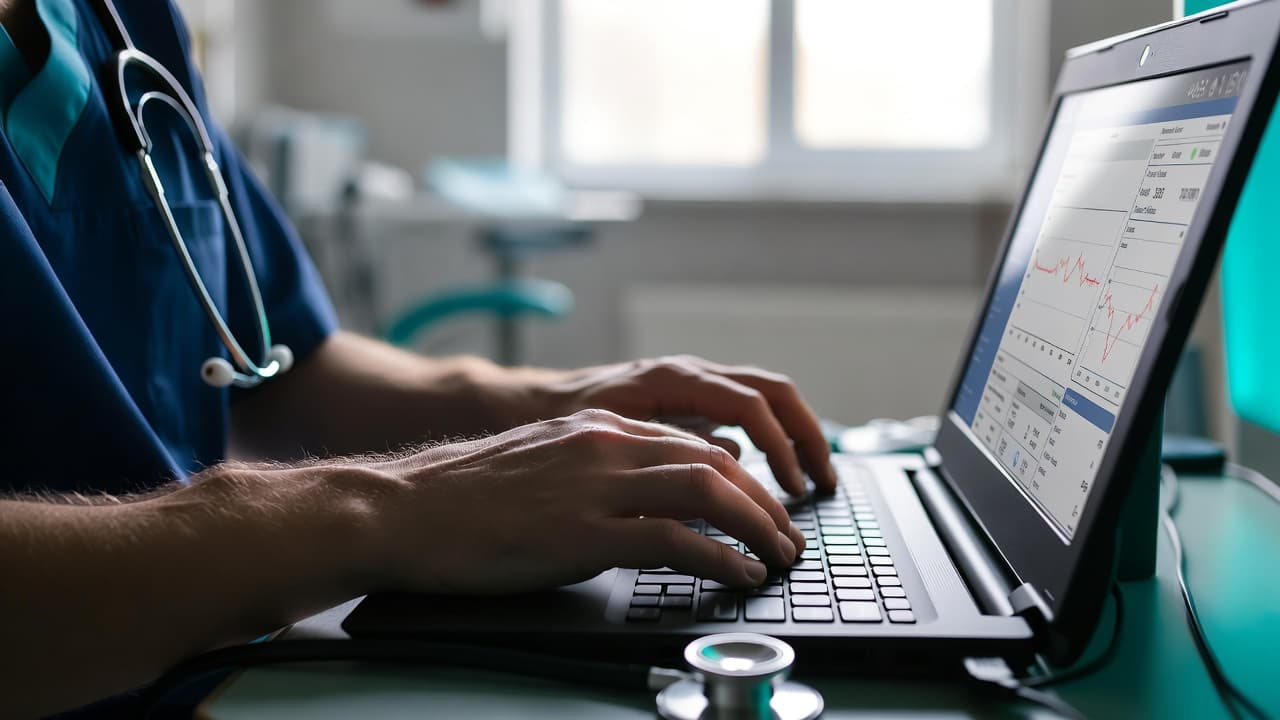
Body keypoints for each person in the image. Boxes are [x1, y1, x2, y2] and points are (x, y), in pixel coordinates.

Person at [0, 0, 838, 716]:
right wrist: (388, 511)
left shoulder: (123, 23)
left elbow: (285, 371)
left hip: (225, 680)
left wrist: (556, 404)